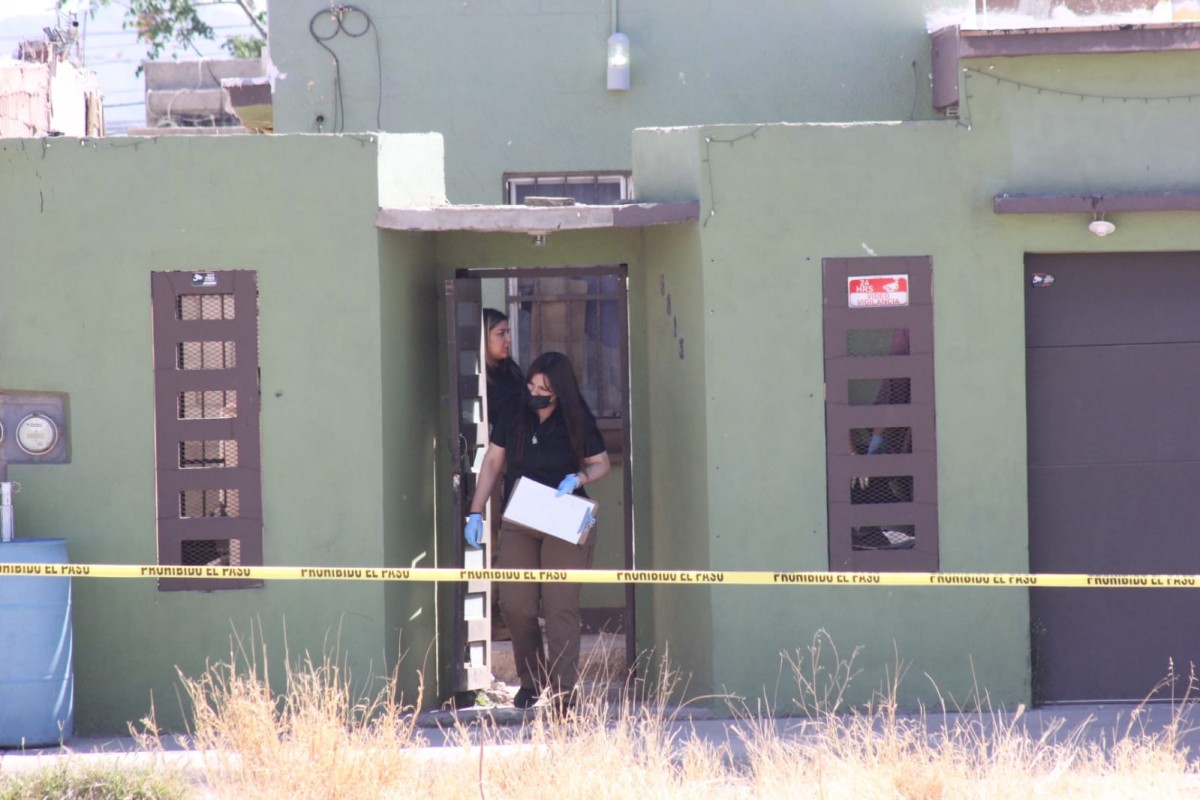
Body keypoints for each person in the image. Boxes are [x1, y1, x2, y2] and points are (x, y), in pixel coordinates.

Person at [463, 351, 611, 712]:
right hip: (521, 516)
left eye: (544, 388)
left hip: (565, 517)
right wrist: (475, 511)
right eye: (531, 383)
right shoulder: (515, 412)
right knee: (515, 603)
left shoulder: (576, 419)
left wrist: (578, 477)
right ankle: (531, 680)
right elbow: (494, 462)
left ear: (559, 391)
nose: (534, 391)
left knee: (560, 607)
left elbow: (601, 463)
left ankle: (563, 691)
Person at [483, 308, 525, 428]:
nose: (509, 340)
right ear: (484, 336)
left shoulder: (511, 368)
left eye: (508, 333)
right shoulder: (478, 376)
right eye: (501, 334)